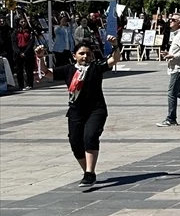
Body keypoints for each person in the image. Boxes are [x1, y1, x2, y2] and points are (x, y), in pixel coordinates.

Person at [33, 35, 120, 190]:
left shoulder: (96, 67)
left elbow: (114, 60)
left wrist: (115, 45)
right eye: (81, 53)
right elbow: (47, 73)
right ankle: (87, 171)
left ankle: (89, 172)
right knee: (75, 142)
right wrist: (40, 58)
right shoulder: (68, 69)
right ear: (74, 56)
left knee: (90, 137)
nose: (85, 56)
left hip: (96, 110)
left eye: (88, 53)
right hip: (75, 111)